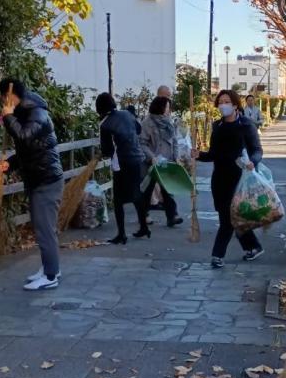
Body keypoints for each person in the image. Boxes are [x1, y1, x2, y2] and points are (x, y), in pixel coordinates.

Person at [0, 78, 63, 291]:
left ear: (10, 96)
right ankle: (49, 268)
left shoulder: (37, 114)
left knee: (45, 229)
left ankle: (51, 275)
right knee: (42, 227)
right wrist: (10, 163)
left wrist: (7, 117)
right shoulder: (26, 113)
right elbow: (27, 150)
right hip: (38, 178)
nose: (2, 103)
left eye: (3, 98)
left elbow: (24, 137)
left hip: (47, 180)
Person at [193, 89, 265, 269]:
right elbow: (213, 154)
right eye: (220, 102)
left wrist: (253, 162)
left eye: (226, 102)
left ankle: (217, 255)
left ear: (235, 105)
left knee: (227, 219)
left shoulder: (246, 125)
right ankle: (253, 246)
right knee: (231, 216)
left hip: (240, 178)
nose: (223, 105)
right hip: (219, 179)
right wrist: (198, 155)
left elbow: (257, 149)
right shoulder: (217, 126)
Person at [96, 92, 150, 244]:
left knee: (118, 199)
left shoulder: (105, 124)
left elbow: (107, 150)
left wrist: (104, 153)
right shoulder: (127, 114)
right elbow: (138, 130)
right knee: (136, 194)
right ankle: (144, 227)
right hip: (137, 158)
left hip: (122, 162)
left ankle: (121, 234)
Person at [140, 96, 183, 228]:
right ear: (161, 108)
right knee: (148, 189)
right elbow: (142, 142)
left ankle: (172, 216)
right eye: (167, 107)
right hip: (152, 162)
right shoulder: (147, 123)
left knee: (167, 189)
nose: (168, 110)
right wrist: (151, 157)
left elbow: (174, 141)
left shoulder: (169, 122)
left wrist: (177, 157)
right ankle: (144, 214)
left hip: (166, 162)